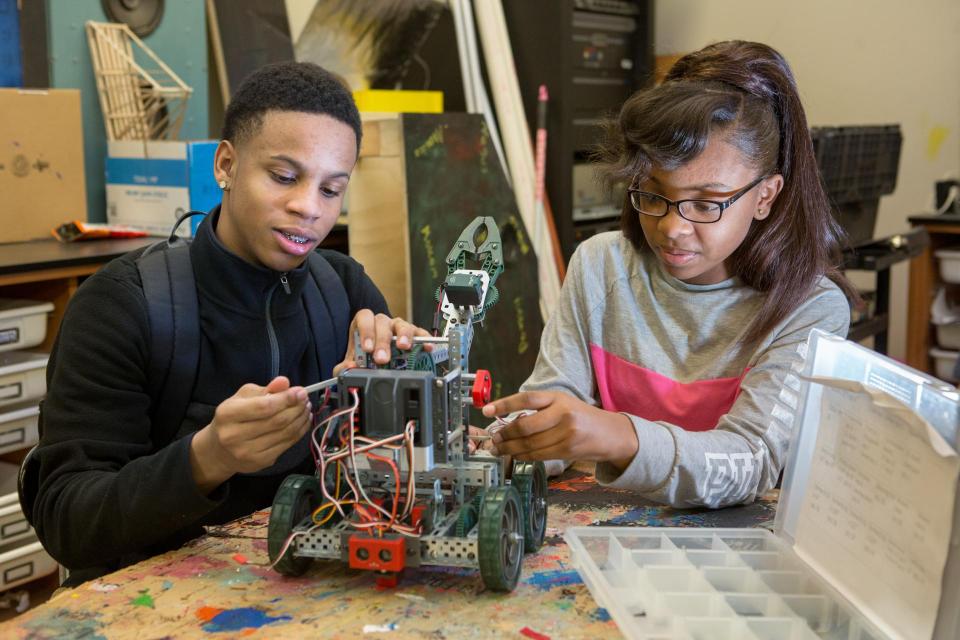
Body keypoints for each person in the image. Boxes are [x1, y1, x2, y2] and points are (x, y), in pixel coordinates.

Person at [31, 61, 427, 586]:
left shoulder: (344, 290)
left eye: (331, 190)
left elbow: (397, 469)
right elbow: (68, 521)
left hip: (311, 592)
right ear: (225, 165)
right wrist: (207, 458)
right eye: (284, 177)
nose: (308, 207)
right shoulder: (123, 304)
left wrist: (408, 375)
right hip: (151, 602)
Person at [481, 41, 856, 508]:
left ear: (766, 196)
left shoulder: (810, 306)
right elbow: (555, 400)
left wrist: (622, 437)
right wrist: (500, 445)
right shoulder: (601, 265)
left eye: (706, 203)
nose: (673, 228)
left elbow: (750, 460)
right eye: (653, 194)